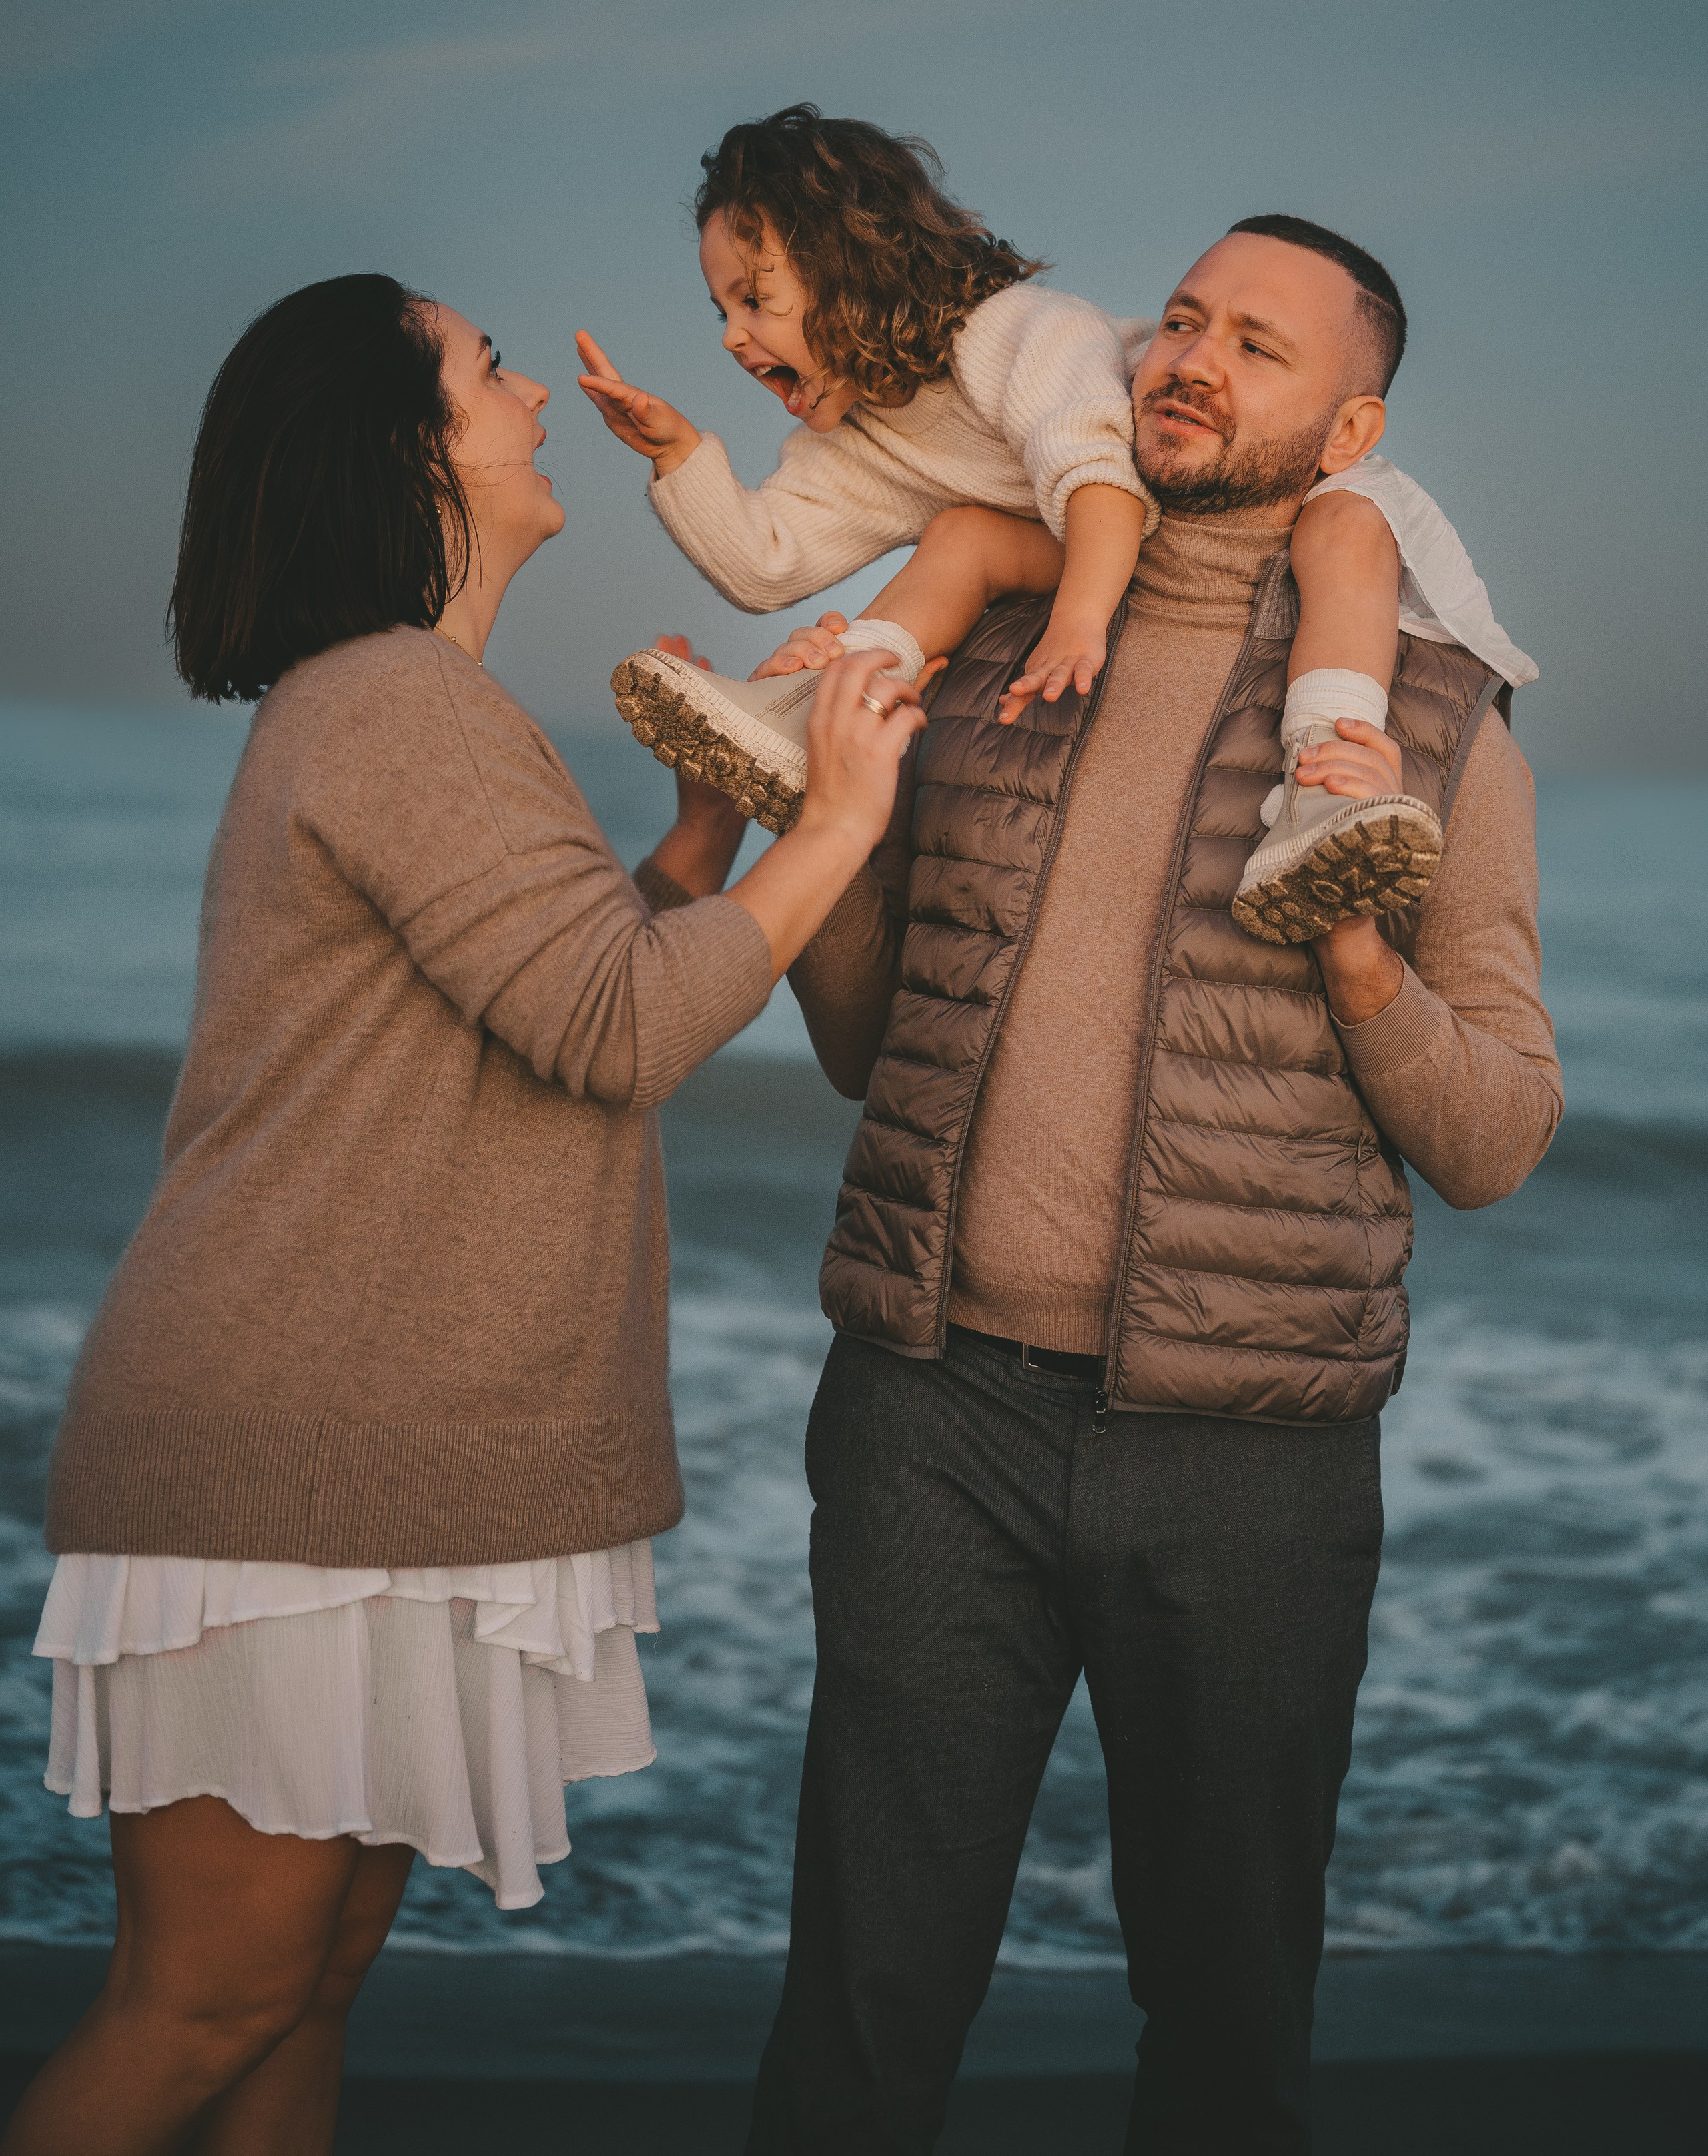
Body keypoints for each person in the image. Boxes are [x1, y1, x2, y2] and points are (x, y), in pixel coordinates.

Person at [7, 274, 922, 2156]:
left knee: (298, 1993)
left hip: (364, 1455)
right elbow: (619, 1030)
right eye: (489, 368)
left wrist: (700, 841)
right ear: (417, 442)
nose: (529, 392)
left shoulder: (402, 708)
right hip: (291, 1461)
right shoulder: (405, 704)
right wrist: (840, 812)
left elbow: (537, 991)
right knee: (209, 1999)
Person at [739, 220, 1562, 2153]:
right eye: (1180, 320)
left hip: (1250, 1463)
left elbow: (1501, 1135)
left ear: (1348, 422)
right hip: (933, 1420)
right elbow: (869, 1044)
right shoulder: (991, 648)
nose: (1190, 359)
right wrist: (827, 835)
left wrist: (1360, 956)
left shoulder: (1426, 722)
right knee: (861, 2003)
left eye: (1255, 347)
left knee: (1224, 2025)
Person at [576, 104, 1533, 940]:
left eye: (756, 299)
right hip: (1113, 533)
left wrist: (1079, 621)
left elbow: (1099, 480)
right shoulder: (863, 442)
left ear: (852, 270)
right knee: (961, 539)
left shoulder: (1017, 332)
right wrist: (677, 456)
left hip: (1160, 500)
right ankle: (815, 713)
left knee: (1346, 529)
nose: (732, 336)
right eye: (722, 308)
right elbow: (765, 567)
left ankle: (1322, 796)